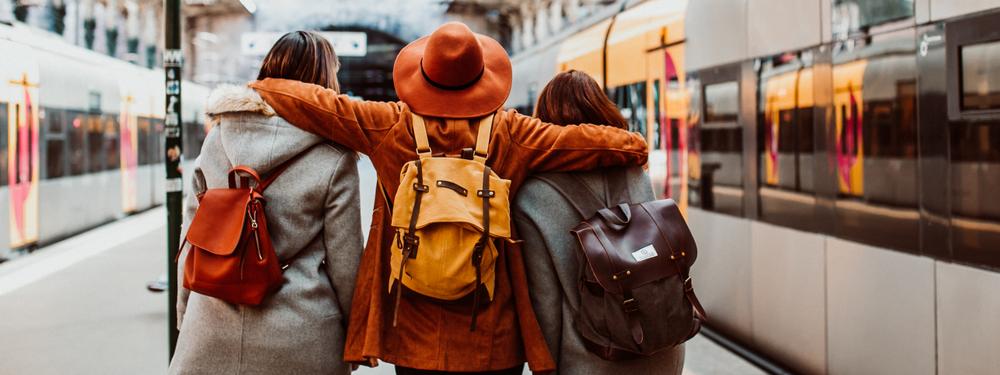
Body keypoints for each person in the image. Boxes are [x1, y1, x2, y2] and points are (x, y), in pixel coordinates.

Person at [248, 22, 649, 374]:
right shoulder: (513, 132)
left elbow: (310, 101)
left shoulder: (388, 125)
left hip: (412, 332)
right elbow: (591, 142)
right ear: (482, 78)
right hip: (492, 333)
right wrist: (635, 145)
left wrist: (262, 86)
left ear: (422, 75)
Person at [170, 31, 363, 375]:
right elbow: (346, 264)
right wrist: (356, 337)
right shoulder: (334, 155)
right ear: (325, 82)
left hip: (211, 327)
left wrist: (187, 315)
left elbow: (191, 238)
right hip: (303, 337)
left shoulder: (217, 137)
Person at [513, 70, 685, 374]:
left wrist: (549, 368)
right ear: (604, 110)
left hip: (591, 361)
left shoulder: (532, 196)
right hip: (660, 351)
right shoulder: (636, 173)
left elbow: (546, 301)